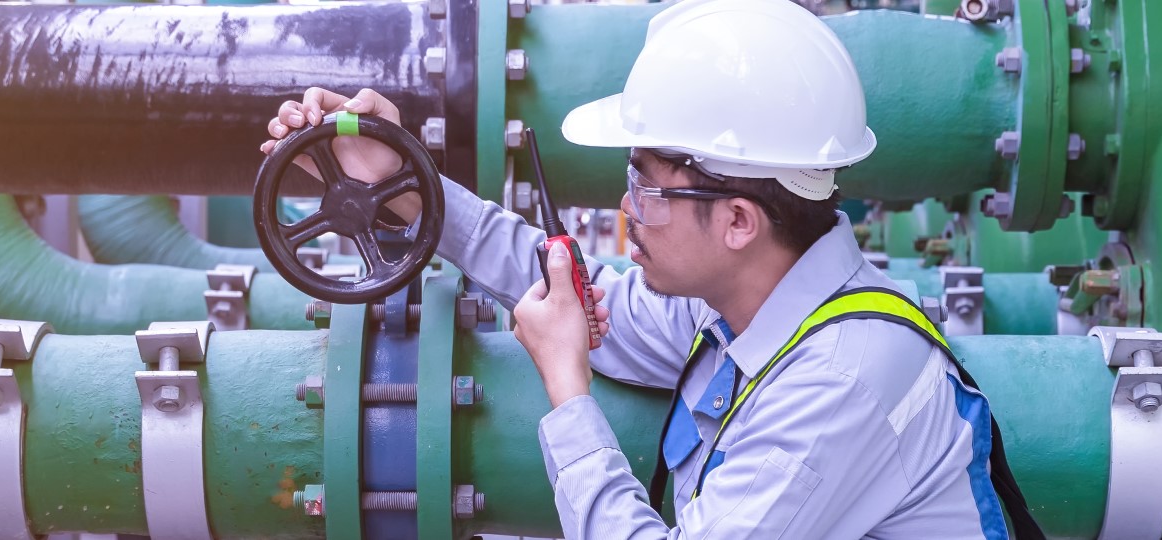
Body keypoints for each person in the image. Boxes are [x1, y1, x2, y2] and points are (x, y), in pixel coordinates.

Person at [260, 0, 1039, 537]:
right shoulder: (737, 307)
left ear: (738, 220)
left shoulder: (842, 380)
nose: (627, 210)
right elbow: (573, 286)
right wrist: (404, 189)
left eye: (646, 184)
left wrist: (568, 390)